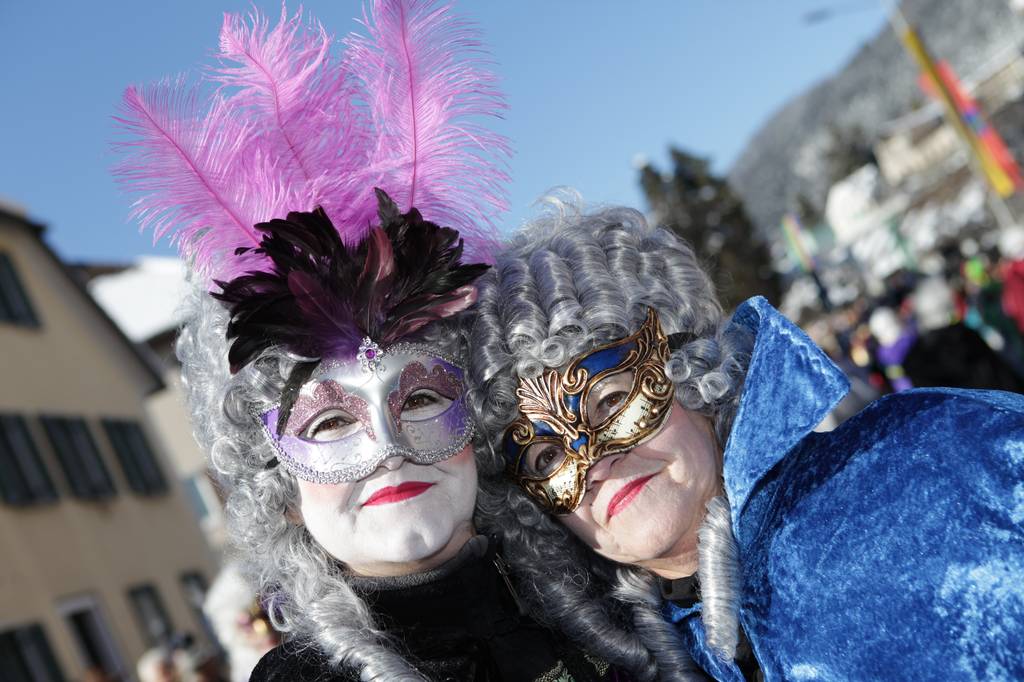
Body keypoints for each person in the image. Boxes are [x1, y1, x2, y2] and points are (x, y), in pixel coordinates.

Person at [115, 4, 616, 680]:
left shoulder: (605, 608)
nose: (387, 448)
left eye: (421, 399)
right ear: (282, 490)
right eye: (328, 422)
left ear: (479, 422)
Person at [467, 197, 1024, 680]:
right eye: (546, 456)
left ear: (691, 372)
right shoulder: (633, 666)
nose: (592, 463)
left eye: (610, 401)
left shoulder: (932, 462)